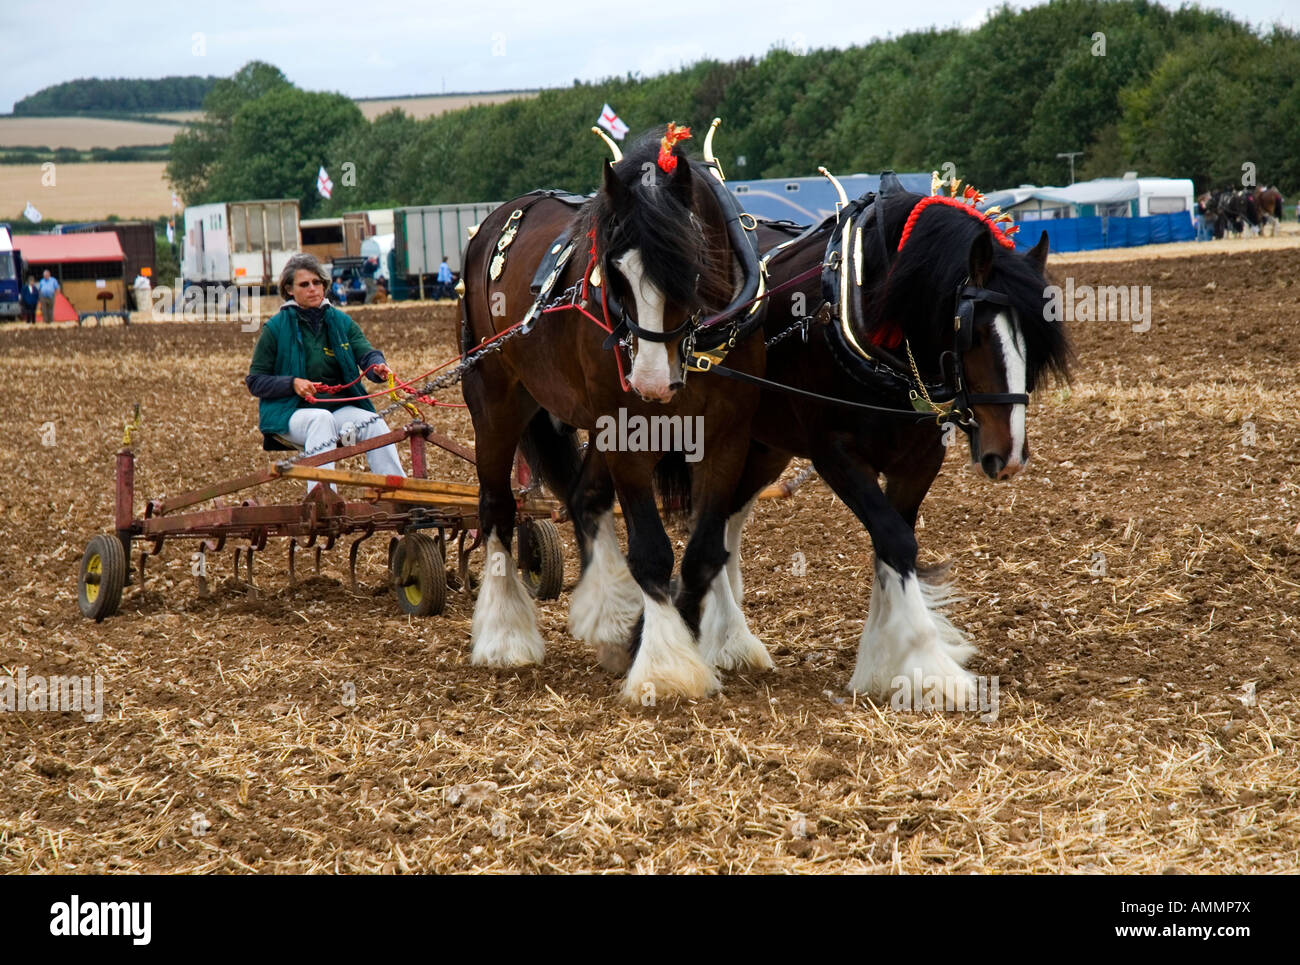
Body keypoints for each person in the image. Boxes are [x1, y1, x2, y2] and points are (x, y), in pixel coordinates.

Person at [246, 253, 406, 492]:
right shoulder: (275, 328)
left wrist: (377, 367)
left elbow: (366, 354)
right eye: (304, 284)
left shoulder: (341, 322)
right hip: (290, 413)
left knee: (373, 422)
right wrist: (292, 383)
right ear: (289, 289)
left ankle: (399, 492)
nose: (313, 288)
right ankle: (322, 498)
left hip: (336, 409)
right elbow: (255, 381)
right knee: (322, 419)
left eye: (317, 282)